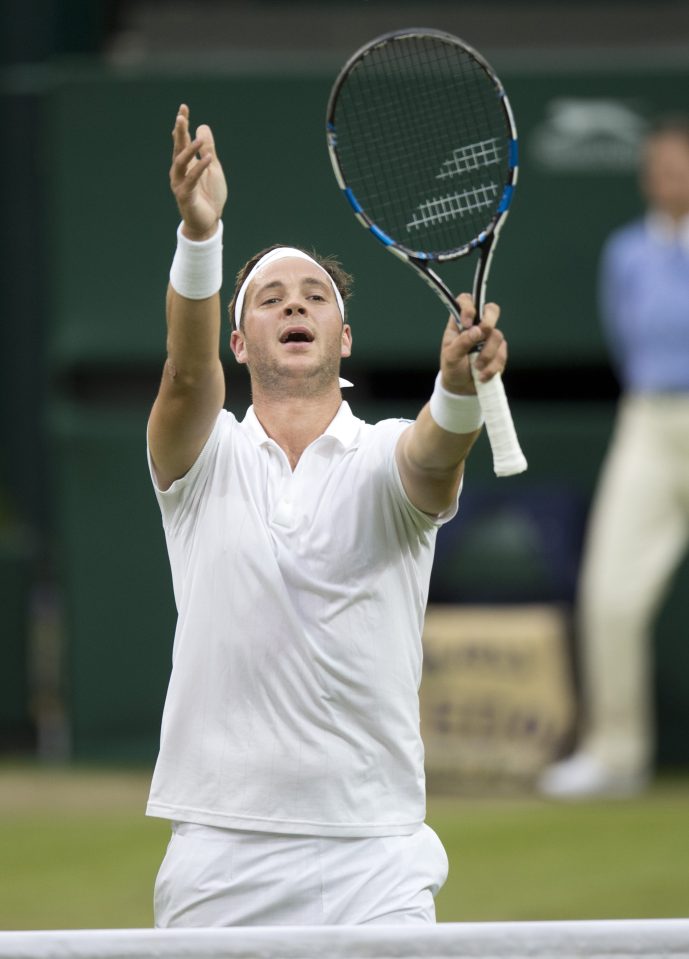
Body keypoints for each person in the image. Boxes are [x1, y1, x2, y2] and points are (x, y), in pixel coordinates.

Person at [146, 102, 508, 927]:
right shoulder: (204, 464)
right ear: (238, 341)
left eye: (314, 295)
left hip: (374, 857)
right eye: (268, 298)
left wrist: (455, 388)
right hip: (218, 855)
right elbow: (183, 378)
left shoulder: (382, 455)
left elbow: (432, 456)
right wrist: (202, 236)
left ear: (343, 338)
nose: (293, 305)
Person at [539, 115, 689, 799]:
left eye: (677, 163)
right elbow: (626, 338)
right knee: (609, 591)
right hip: (647, 420)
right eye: (654, 165)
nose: (664, 176)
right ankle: (614, 754)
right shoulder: (625, 252)